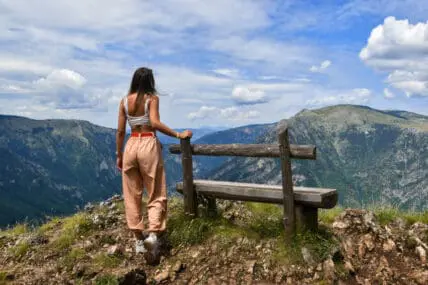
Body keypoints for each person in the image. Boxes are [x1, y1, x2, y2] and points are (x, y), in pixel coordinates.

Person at [115, 67, 192, 262]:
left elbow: (120, 131)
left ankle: (138, 240)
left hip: (131, 143)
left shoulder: (124, 101)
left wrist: (119, 154)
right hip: (148, 142)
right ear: (150, 81)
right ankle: (153, 233)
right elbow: (155, 123)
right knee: (156, 190)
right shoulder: (152, 99)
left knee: (131, 193)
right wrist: (178, 134)